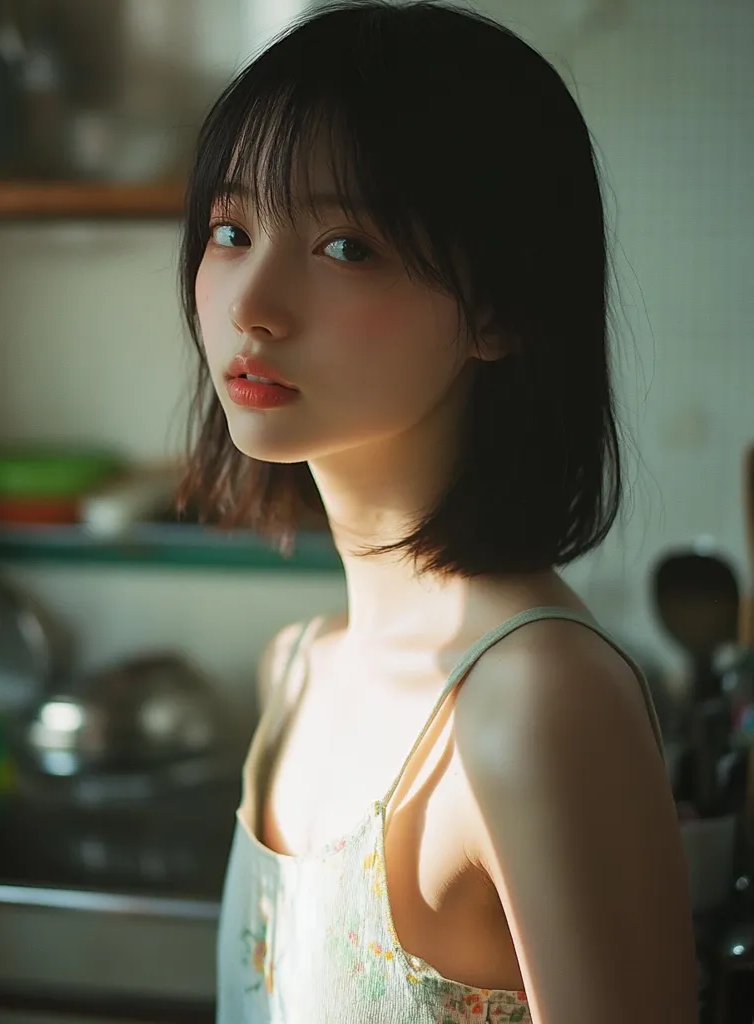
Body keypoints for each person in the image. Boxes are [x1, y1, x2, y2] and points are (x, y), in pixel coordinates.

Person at [177, 2, 697, 1021]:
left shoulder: (537, 702)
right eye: (232, 229)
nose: (250, 303)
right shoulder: (295, 667)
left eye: (345, 247)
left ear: (500, 308)